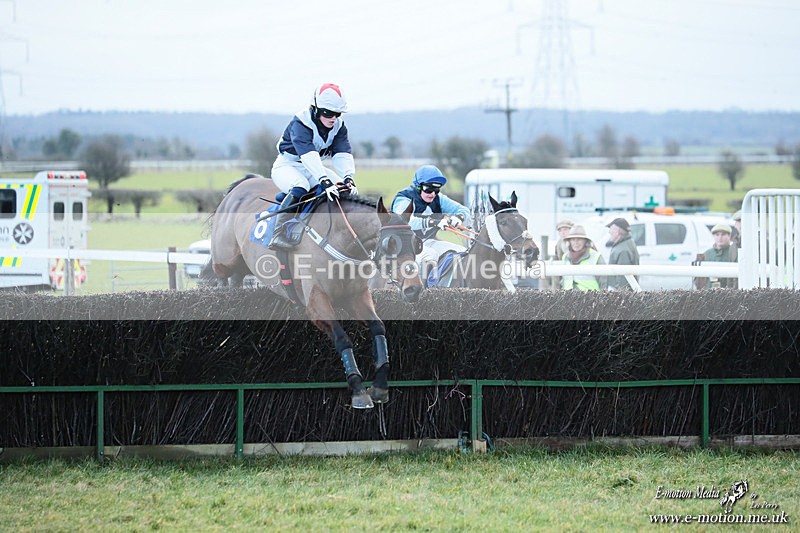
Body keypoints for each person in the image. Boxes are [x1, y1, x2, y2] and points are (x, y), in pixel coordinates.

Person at [269, 83, 357, 250]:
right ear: (315, 109)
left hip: (313, 167)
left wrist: (348, 177)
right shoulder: (301, 123)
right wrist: (323, 180)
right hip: (288, 166)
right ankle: (277, 233)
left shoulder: (338, 126)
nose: (333, 118)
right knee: (300, 185)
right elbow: (308, 155)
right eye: (328, 113)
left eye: (337, 114)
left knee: (343, 188)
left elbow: (342, 153)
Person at [391, 165, 471, 273]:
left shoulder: (439, 199)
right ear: (418, 187)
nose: (432, 194)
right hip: (403, 247)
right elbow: (405, 221)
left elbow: (463, 210)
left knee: (463, 252)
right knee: (430, 255)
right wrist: (434, 222)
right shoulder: (403, 199)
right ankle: (426, 290)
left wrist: (459, 217)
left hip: (427, 242)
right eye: (428, 189)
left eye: (436, 189)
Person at [561, 225, 607, 291]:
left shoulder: (596, 256)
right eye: (573, 240)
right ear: (569, 242)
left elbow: (604, 282)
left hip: (591, 299)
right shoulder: (565, 257)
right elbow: (564, 280)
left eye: (579, 239)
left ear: (585, 241)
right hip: (568, 298)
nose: (576, 243)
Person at [605, 217, 640, 290]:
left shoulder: (623, 250)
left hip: (620, 294)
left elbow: (623, 280)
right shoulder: (625, 244)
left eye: (611, 229)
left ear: (617, 231)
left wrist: (619, 296)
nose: (609, 232)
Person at [703, 223, 738, 288]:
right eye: (717, 235)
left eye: (723, 234)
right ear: (713, 236)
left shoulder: (734, 253)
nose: (720, 237)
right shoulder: (707, 254)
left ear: (729, 236)